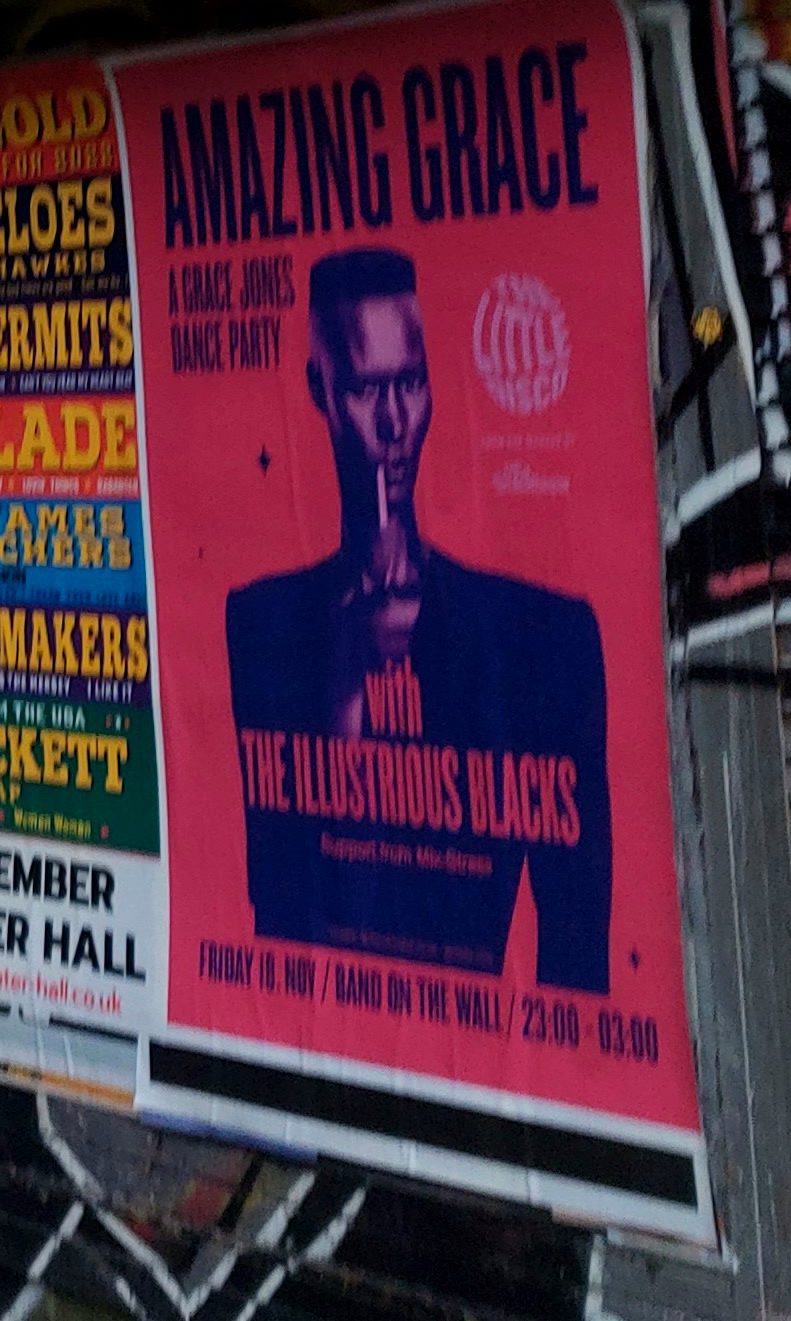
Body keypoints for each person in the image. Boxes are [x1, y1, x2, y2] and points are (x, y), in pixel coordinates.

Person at [223, 247, 610, 987]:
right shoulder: (263, 625)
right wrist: (341, 693)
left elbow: (577, 949)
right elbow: (278, 909)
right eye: (366, 389)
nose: (394, 422)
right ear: (320, 390)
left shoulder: (542, 636)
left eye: (411, 382)